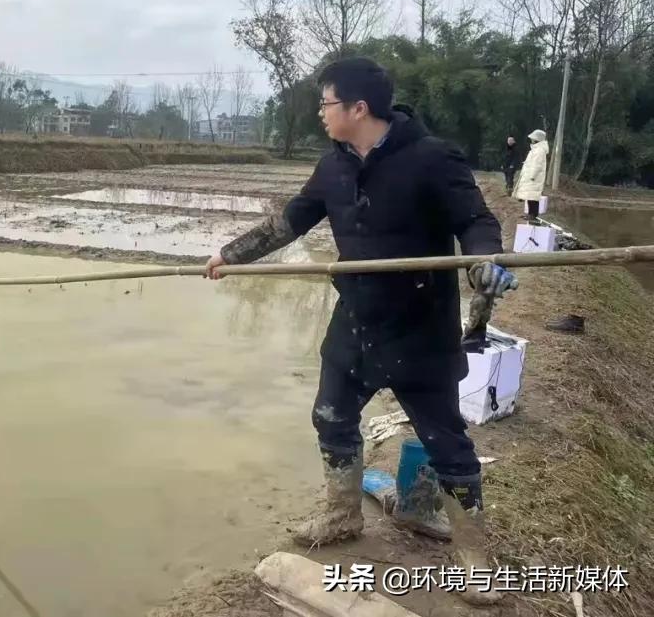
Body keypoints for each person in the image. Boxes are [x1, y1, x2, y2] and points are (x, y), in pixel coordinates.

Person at [204, 57, 516, 605]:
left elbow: (476, 221)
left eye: (326, 104)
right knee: (330, 415)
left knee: (447, 443)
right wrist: (231, 255)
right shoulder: (333, 168)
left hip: (419, 329)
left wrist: (483, 261)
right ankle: (342, 513)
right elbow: (290, 220)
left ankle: (472, 555)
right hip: (355, 321)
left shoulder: (432, 159)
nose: (321, 114)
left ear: (358, 108)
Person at [513, 129, 549, 220]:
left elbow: (537, 164)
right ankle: (530, 213)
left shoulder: (539, 150)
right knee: (529, 197)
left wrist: (532, 176)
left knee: (533, 197)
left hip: (533, 178)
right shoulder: (535, 149)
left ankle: (533, 214)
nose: (531, 140)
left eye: (533, 138)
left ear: (537, 139)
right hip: (530, 177)